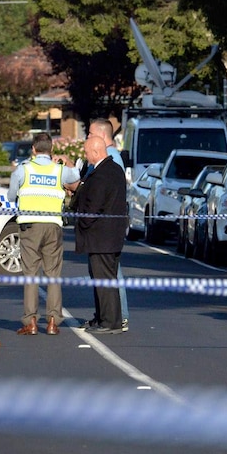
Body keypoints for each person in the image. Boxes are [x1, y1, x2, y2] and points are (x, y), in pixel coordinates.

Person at [8, 132, 80, 336]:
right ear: (51, 150)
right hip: (53, 226)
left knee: (30, 274)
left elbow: (11, 195)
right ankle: (52, 322)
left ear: (33, 149)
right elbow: (76, 177)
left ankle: (30, 322)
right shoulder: (59, 171)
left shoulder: (23, 169)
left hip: (29, 225)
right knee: (53, 274)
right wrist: (67, 162)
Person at [74, 135, 128, 335]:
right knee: (105, 280)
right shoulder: (114, 170)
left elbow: (93, 206)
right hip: (110, 236)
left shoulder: (102, 174)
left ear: (96, 152)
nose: (86, 156)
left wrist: (82, 221)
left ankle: (109, 321)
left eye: (87, 153)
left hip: (101, 237)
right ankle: (104, 317)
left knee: (103, 280)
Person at [87, 118, 130, 332]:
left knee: (108, 276)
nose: (87, 138)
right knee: (104, 276)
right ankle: (106, 317)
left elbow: (100, 199)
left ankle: (113, 319)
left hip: (105, 232)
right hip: (106, 231)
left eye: (90, 135)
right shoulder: (108, 165)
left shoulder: (109, 166)